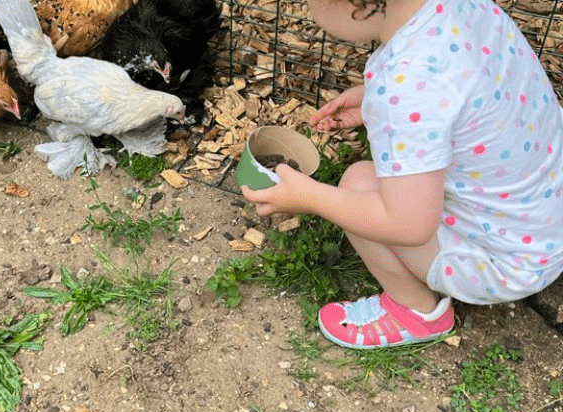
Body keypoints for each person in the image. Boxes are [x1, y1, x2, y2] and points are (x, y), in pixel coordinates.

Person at [241, 0, 563, 349]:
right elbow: (465, 84)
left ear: (353, 3)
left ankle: (416, 311)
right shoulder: (469, 7)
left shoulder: (404, 84)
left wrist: (311, 197)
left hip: (508, 263)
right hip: (545, 209)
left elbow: (408, 226)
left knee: (359, 185)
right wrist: (373, 101)